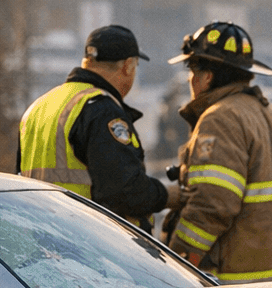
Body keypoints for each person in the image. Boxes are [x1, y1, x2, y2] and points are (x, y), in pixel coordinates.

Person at [163, 21, 272, 283]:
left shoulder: (220, 119)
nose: (190, 81)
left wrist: (179, 262)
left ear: (206, 76)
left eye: (192, 72)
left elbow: (212, 202)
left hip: (238, 286)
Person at [17, 25, 176, 226]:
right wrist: (168, 195)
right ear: (128, 66)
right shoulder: (101, 109)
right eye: (135, 66)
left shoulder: (39, 106)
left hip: (41, 236)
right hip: (87, 242)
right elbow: (125, 191)